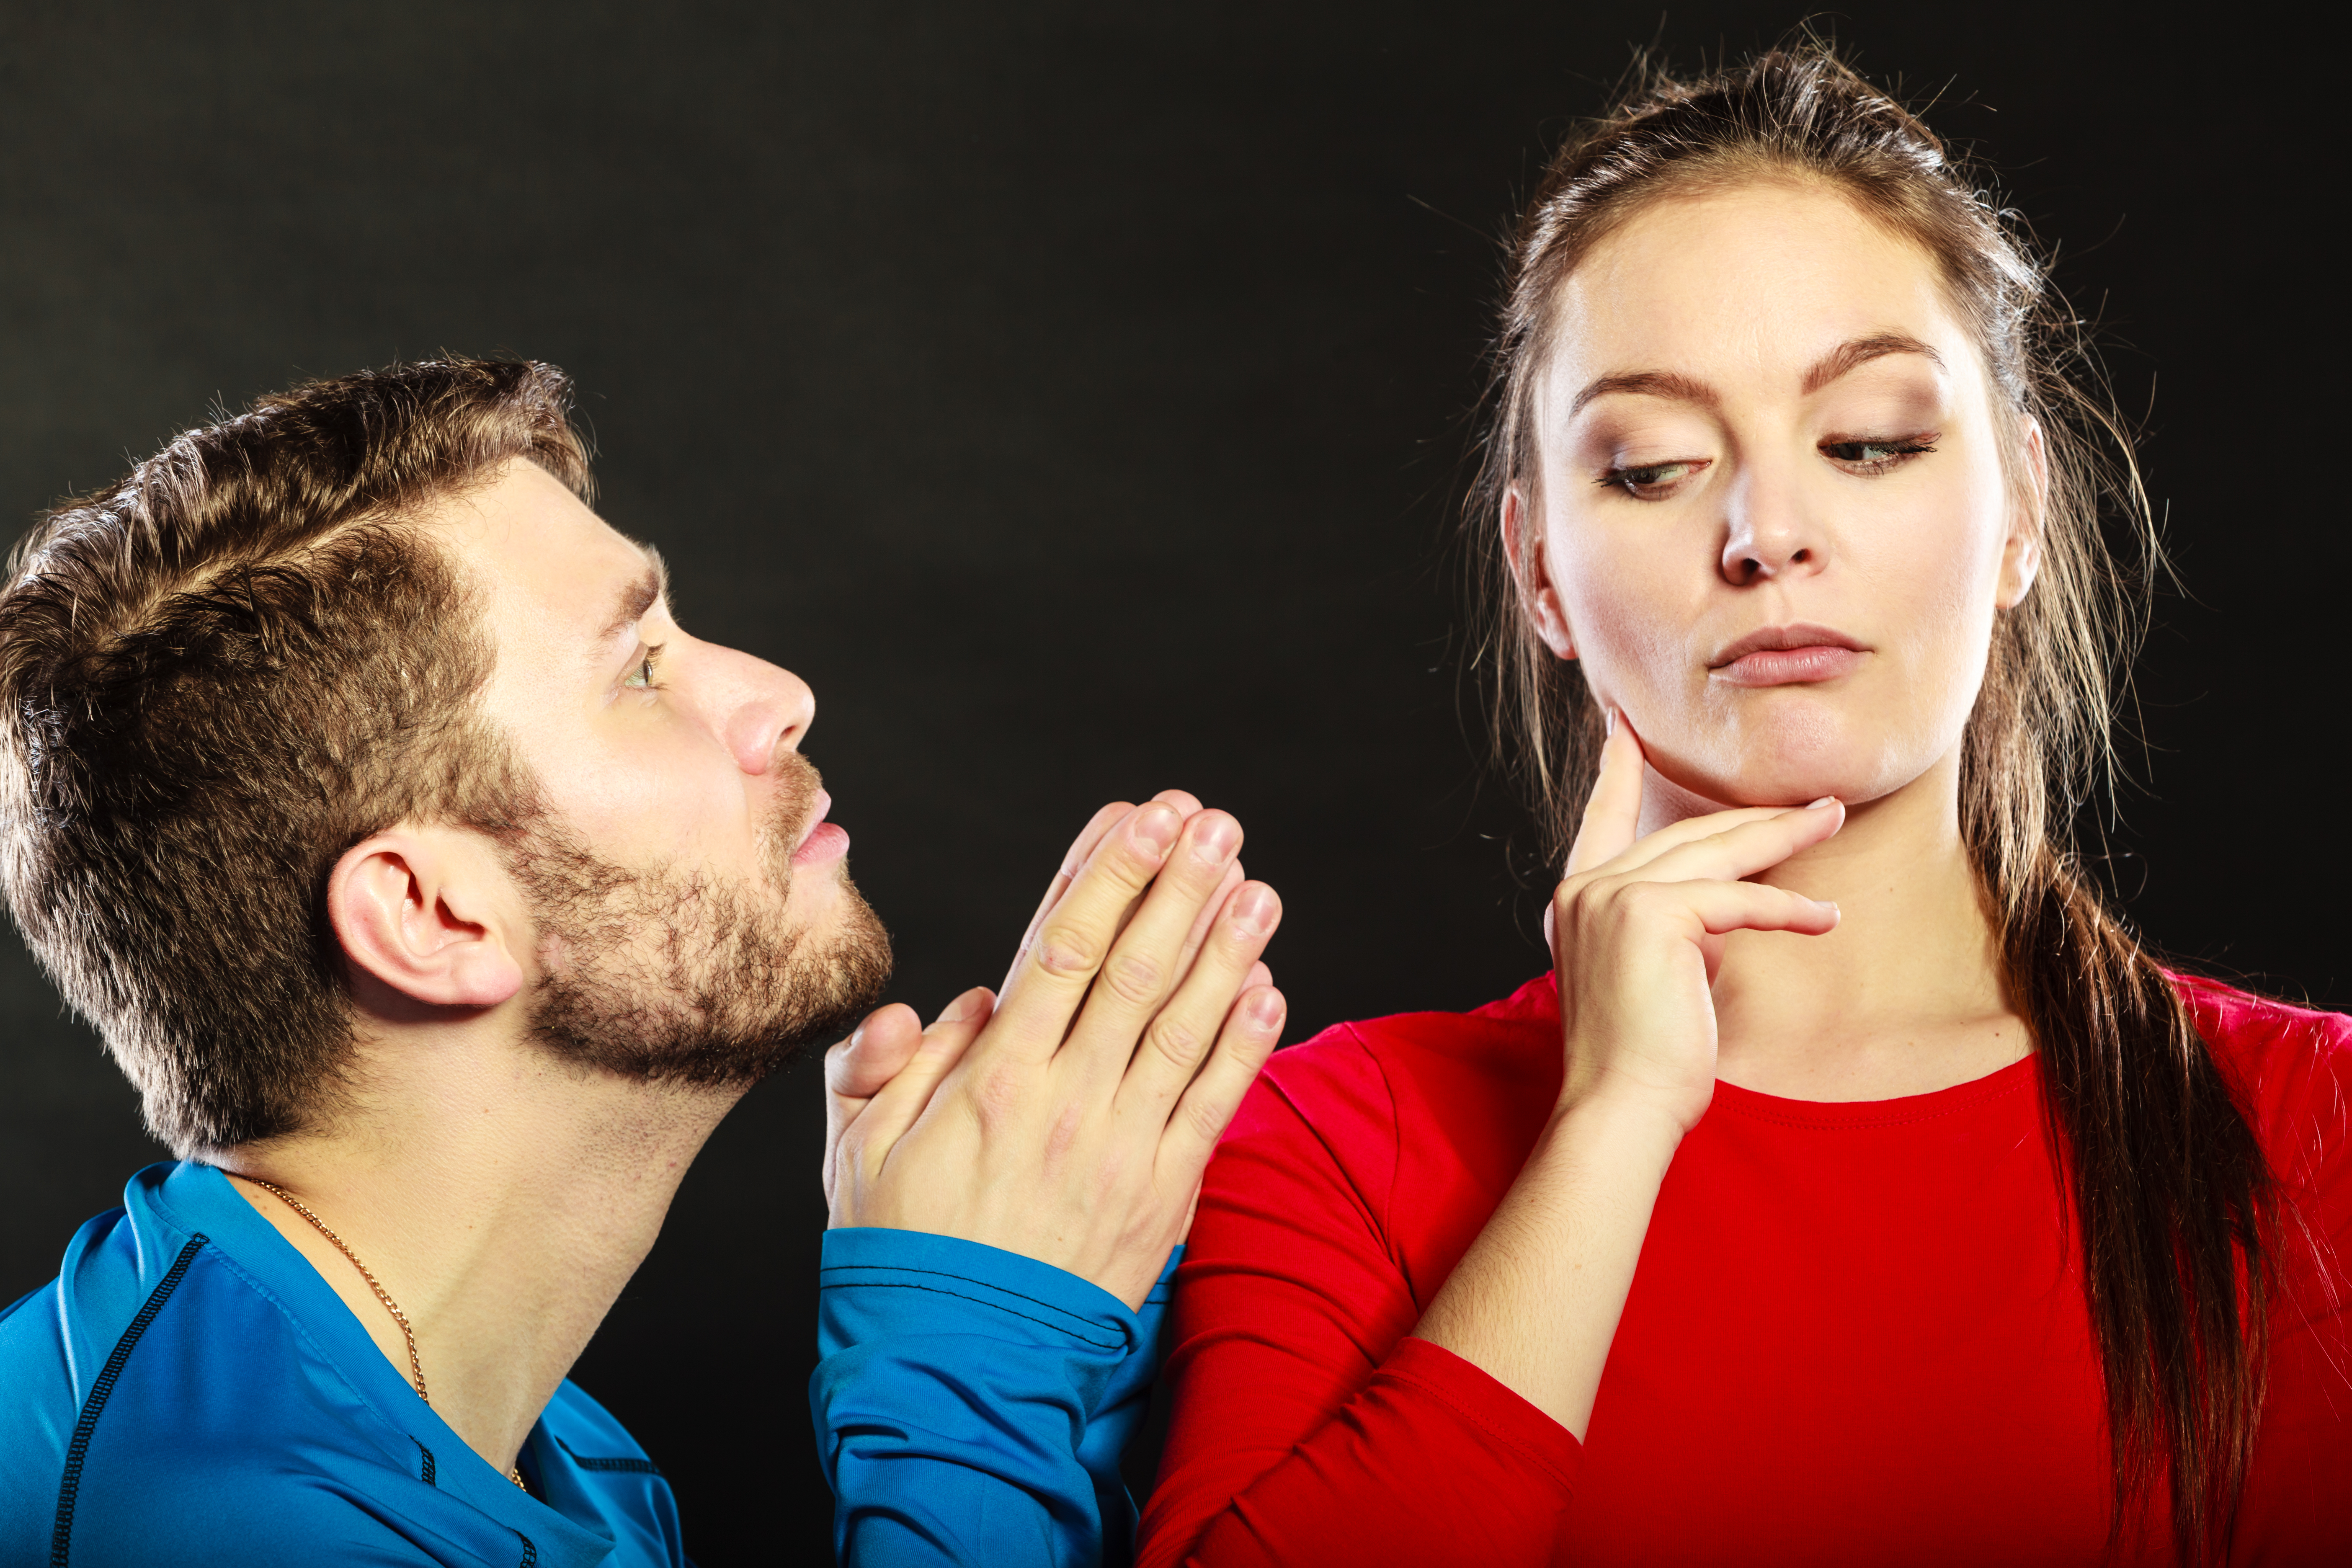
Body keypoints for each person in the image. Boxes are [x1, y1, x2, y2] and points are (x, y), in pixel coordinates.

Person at [1122, 47, 2351, 1568]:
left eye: (1869, 445)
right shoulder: (1335, 1144)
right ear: (1539, 573)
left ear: (2021, 511)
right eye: (1653, 467)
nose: (1768, 533)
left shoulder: (2315, 1135)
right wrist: (1615, 1119)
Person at [0, 359, 1285, 1566]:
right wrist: (965, 1380)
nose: (779, 692)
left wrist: (1077, 1328)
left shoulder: (539, 1449)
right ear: (434, 918)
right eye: (640, 671)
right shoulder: (225, 1532)